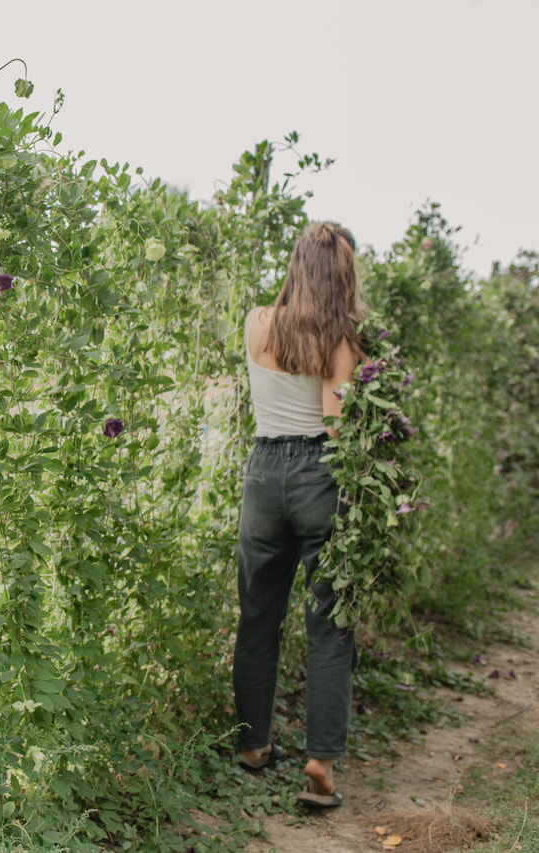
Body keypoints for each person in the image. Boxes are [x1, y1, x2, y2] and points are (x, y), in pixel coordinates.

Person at [233, 221, 363, 808]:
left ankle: (253, 747)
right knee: (329, 623)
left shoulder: (257, 322)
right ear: (341, 275)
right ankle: (320, 761)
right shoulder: (341, 339)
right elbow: (336, 427)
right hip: (319, 475)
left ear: (295, 264)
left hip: (263, 473)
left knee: (258, 615)